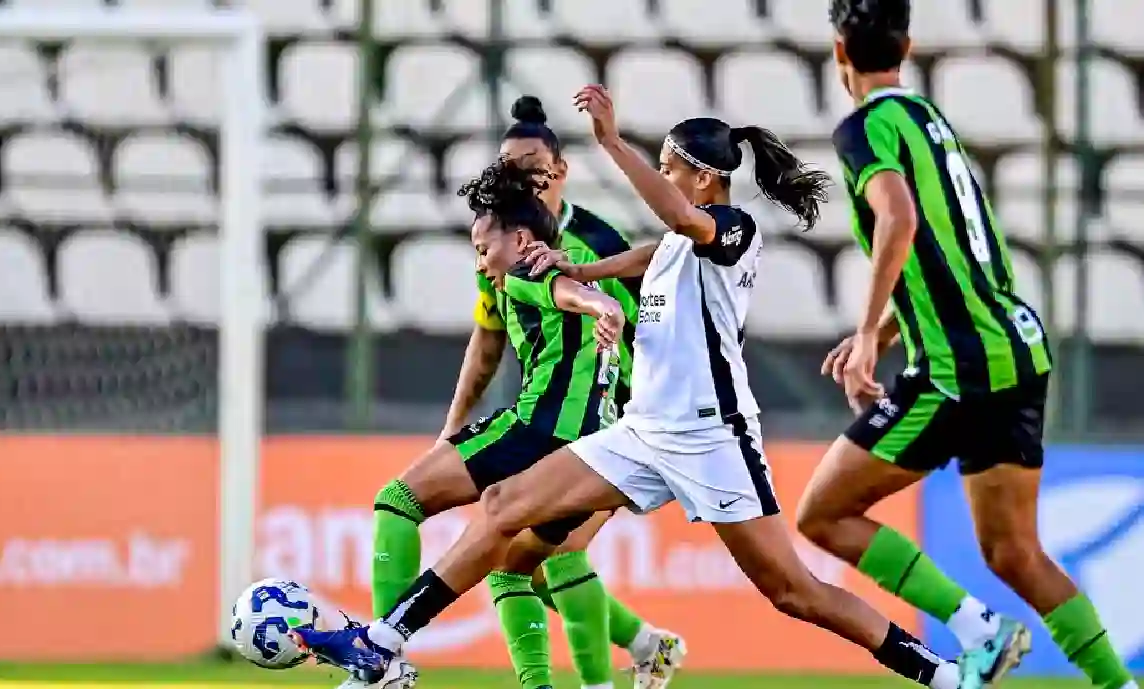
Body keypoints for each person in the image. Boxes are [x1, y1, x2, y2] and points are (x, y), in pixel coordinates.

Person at [294, 84, 979, 689]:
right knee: (503, 505)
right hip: (642, 431)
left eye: (670, 167)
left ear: (705, 178)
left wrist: (612, 143)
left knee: (794, 590)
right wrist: (580, 271)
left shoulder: (734, 229)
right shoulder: (683, 239)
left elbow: (682, 226)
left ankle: (941, 673)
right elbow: (657, 249)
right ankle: (381, 646)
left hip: (711, 435)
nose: (662, 177)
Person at [793, 2, 1140, 689]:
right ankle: (1117, 683)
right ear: (908, 47)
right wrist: (886, 326)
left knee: (824, 513)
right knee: (1013, 549)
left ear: (839, 54)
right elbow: (945, 254)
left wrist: (868, 335)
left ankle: (981, 628)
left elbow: (898, 217)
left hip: (959, 368)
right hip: (1017, 348)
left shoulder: (864, 129)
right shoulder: (931, 122)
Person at [360, 138, 672, 689]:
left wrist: (602, 308)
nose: (482, 264)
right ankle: (632, 653)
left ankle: (383, 658)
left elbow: (566, 294)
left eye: (483, 249)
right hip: (603, 446)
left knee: (399, 498)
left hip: (545, 429)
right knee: (515, 564)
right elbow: (580, 292)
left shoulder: (534, 264)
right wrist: (603, 308)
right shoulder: (556, 258)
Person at [433, 95, 684, 689]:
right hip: (552, 419)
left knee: (554, 553)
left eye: (531, 166)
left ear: (559, 171)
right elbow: (488, 341)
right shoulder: (499, 249)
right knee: (528, 561)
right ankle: (650, 646)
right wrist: (453, 426)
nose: (519, 177)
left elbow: (648, 316)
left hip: (619, 417)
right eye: (508, 166)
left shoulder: (596, 240)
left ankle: (603, 676)